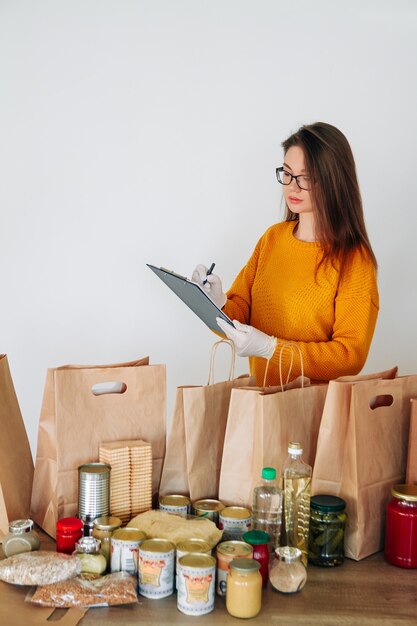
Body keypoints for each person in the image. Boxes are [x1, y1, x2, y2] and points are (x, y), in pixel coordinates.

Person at [192, 122, 379, 386]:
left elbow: (349, 356)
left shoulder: (354, 260)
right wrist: (216, 303)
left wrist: (271, 348)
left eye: (306, 178)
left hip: (315, 415)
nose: (293, 186)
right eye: (288, 174)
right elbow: (239, 318)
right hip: (261, 405)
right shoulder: (272, 239)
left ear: (333, 180)